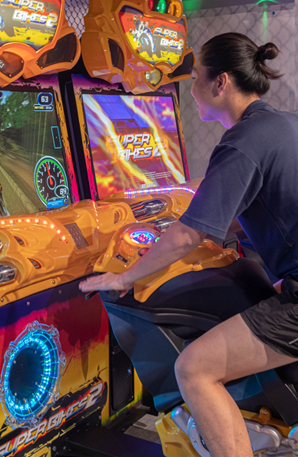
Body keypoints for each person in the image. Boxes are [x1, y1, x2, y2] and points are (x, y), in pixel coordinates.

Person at [80, 33, 298, 457]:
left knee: (194, 368)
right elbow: (250, 207)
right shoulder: (284, 124)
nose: (188, 89)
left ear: (220, 83)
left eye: (195, 78)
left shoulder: (243, 142)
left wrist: (125, 276)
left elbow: (186, 234)